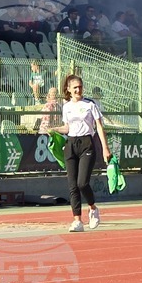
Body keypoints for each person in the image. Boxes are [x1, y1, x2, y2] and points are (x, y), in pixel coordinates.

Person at [40, 73, 112, 232]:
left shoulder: (90, 104)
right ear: (68, 89)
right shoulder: (66, 107)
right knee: (72, 185)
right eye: (75, 88)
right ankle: (77, 220)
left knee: (82, 183)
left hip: (87, 144)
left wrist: (105, 148)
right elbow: (67, 127)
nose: (78, 90)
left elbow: (99, 127)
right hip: (71, 144)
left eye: (80, 87)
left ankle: (93, 208)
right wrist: (54, 129)